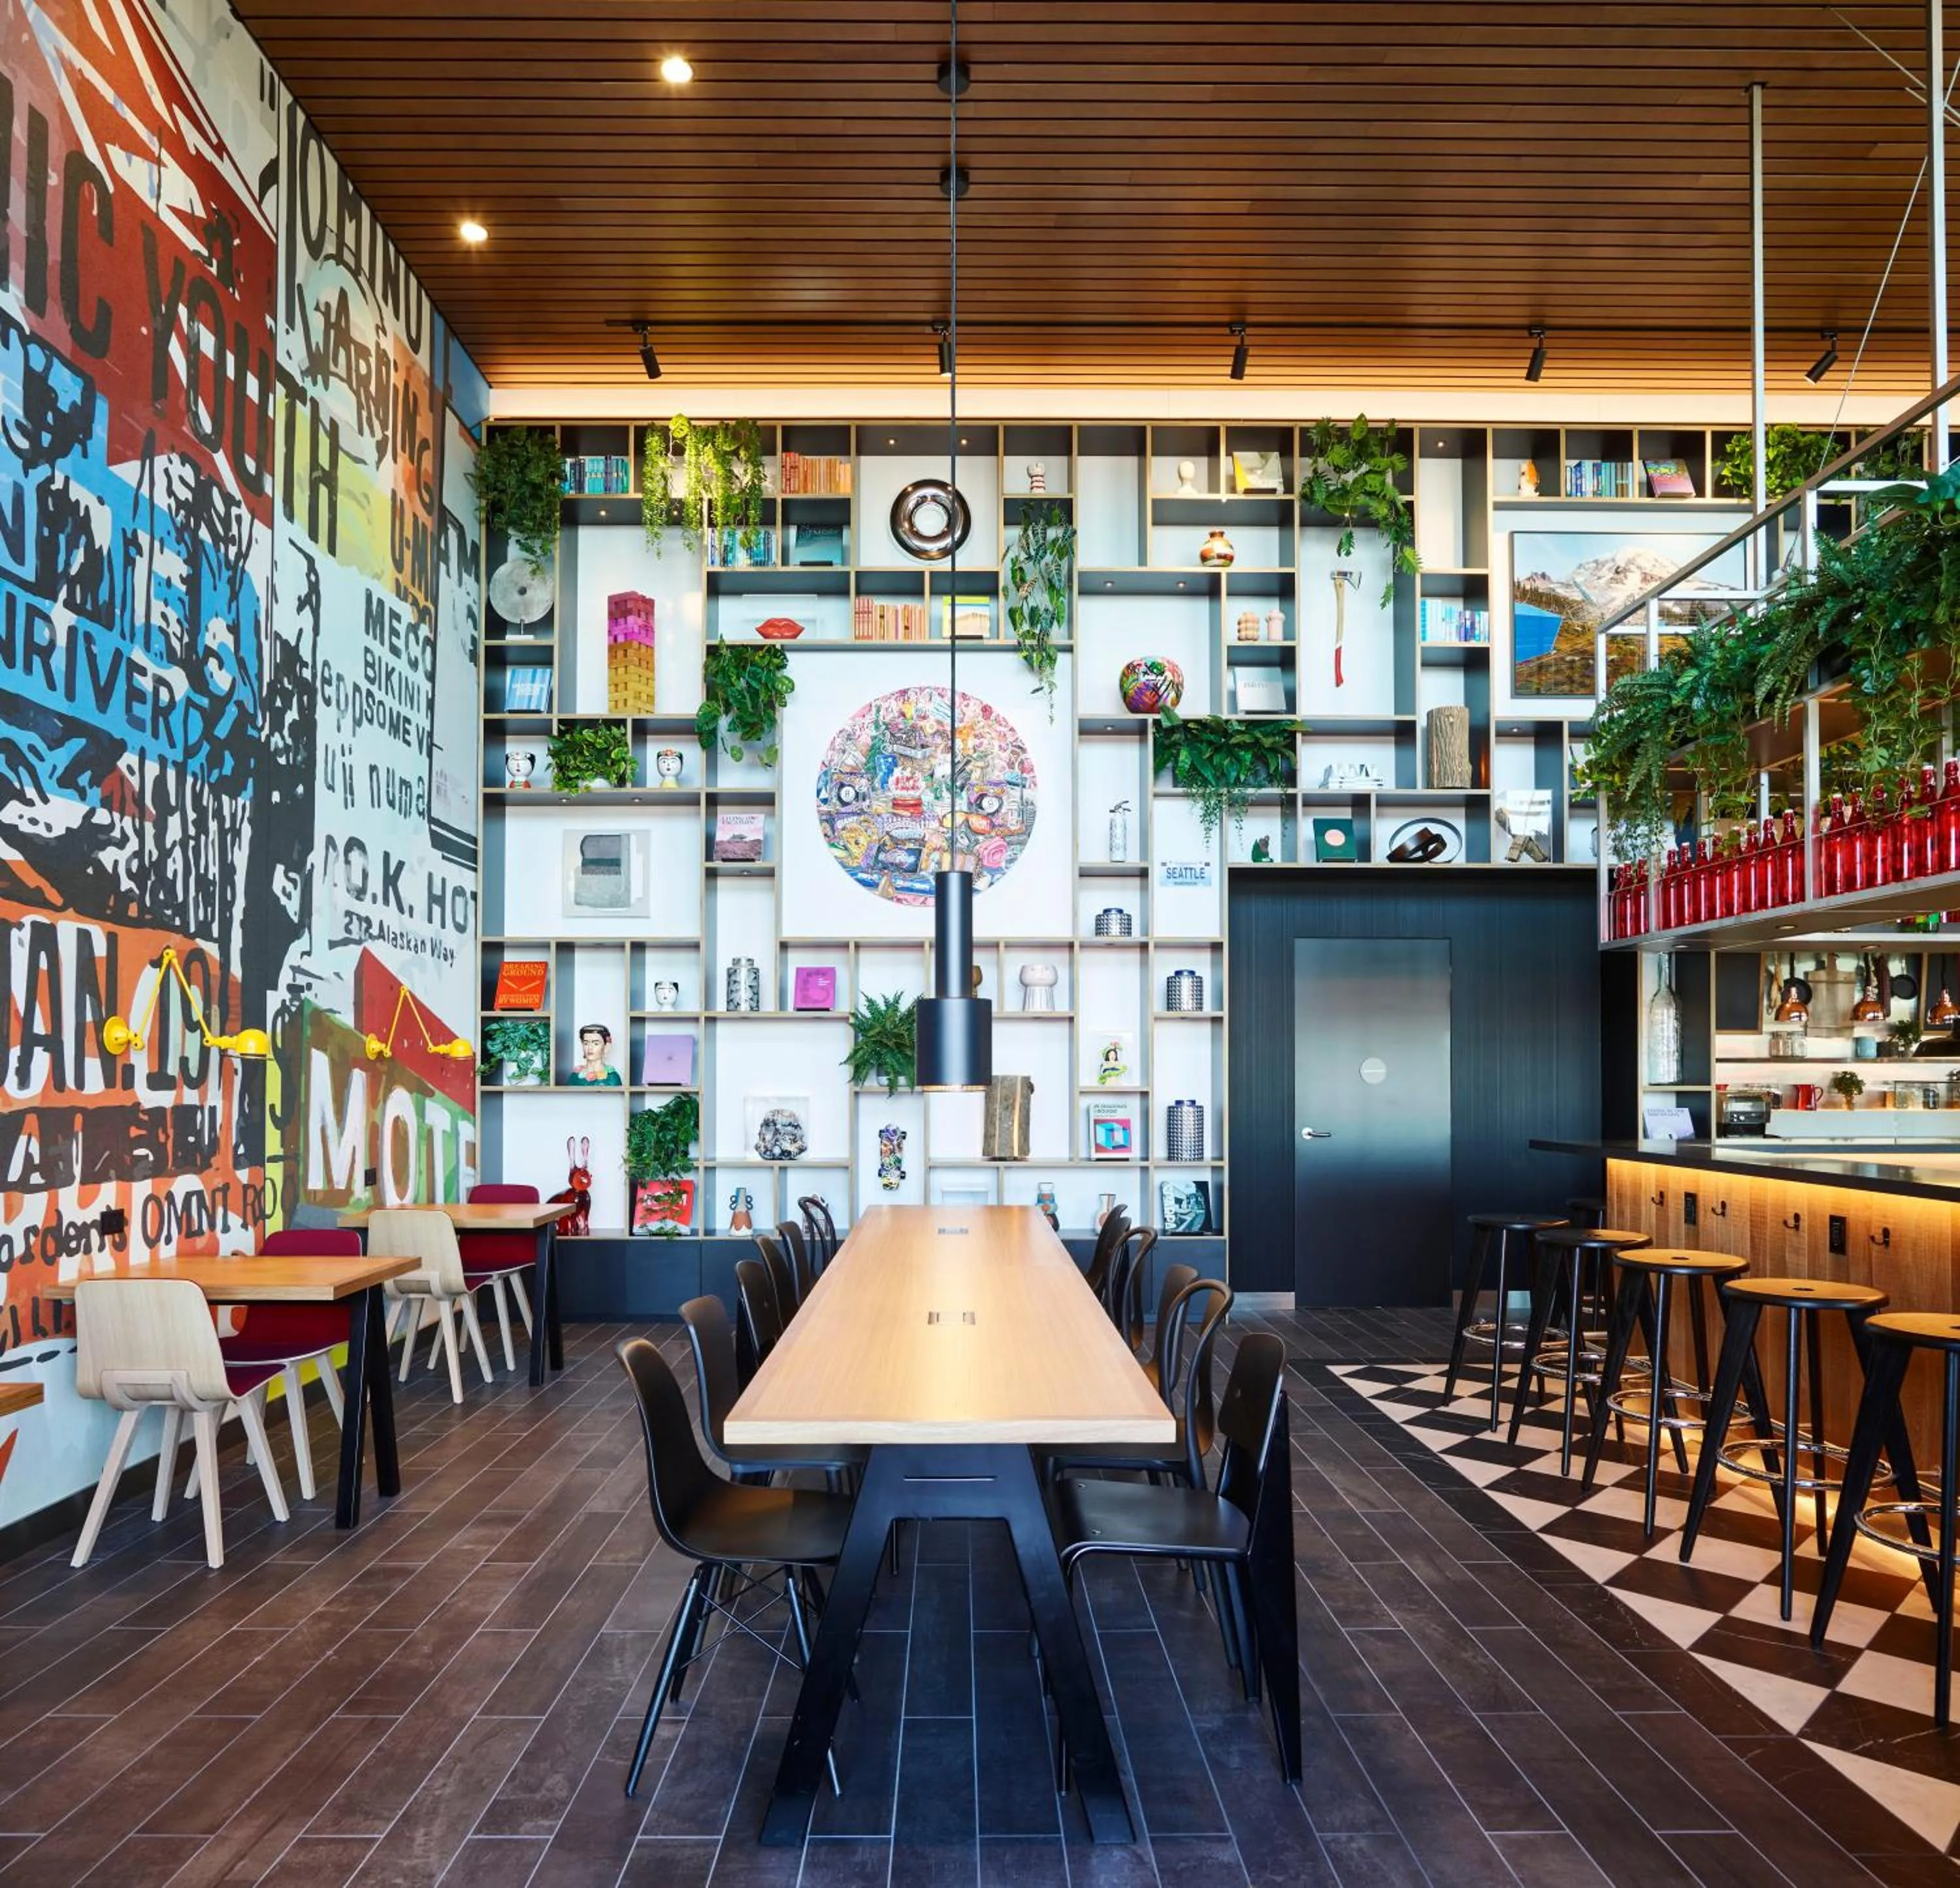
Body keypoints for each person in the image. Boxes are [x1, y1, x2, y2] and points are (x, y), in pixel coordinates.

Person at [568, 1022, 621, 1086]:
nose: (590, 1048)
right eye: (586, 1043)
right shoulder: (576, 1075)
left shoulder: (611, 1077)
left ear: (606, 1047)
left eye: (596, 1044)